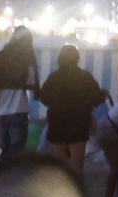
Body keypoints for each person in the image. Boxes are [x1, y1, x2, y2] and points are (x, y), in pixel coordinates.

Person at [35, 44, 107, 175]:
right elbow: (97, 97)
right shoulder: (85, 77)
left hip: (57, 122)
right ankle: (77, 190)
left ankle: (61, 190)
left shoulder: (54, 77)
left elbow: (44, 97)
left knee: (60, 165)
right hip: (79, 122)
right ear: (77, 58)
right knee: (77, 165)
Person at [0, 26, 39, 159]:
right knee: (17, 150)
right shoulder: (26, 57)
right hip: (18, 109)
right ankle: (13, 178)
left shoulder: (0, 56)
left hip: (2, 110)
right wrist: (37, 92)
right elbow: (31, 80)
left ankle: (3, 177)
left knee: (5, 148)